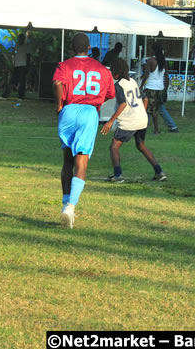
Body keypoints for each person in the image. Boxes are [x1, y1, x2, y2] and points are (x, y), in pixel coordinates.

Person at [53, 32, 115, 229]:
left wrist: (58, 104)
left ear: (71, 48)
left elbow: (57, 83)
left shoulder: (64, 65)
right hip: (89, 112)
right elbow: (109, 93)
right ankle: (70, 207)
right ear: (89, 48)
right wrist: (94, 103)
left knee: (67, 161)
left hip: (69, 110)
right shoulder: (101, 69)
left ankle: (65, 204)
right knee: (82, 161)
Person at [100, 58, 167, 182]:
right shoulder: (132, 81)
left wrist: (110, 121)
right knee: (141, 146)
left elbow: (123, 104)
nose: (111, 72)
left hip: (130, 121)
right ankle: (159, 172)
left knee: (114, 147)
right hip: (142, 119)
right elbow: (145, 99)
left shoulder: (119, 85)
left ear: (117, 71)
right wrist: (141, 112)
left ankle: (118, 175)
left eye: (112, 69)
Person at [140, 42, 179, 133]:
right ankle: (172, 126)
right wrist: (165, 88)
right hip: (160, 88)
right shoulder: (163, 61)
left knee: (150, 110)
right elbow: (166, 75)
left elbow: (146, 74)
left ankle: (150, 128)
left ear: (153, 50)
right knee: (160, 109)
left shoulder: (150, 60)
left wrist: (141, 85)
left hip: (151, 88)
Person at [0, 33, 30, 100]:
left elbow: (28, 57)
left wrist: (27, 66)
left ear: (23, 39)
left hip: (23, 66)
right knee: (12, 81)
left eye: (21, 39)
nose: (20, 40)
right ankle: (5, 95)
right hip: (17, 65)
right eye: (19, 38)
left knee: (22, 82)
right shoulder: (17, 46)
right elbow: (15, 55)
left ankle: (21, 97)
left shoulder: (26, 46)